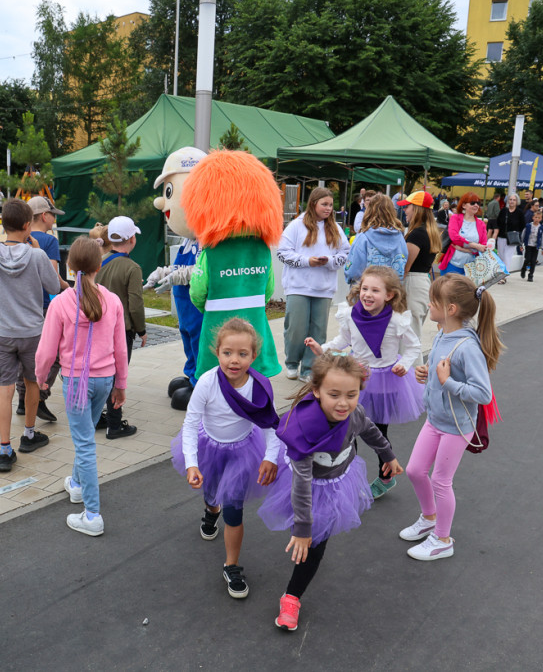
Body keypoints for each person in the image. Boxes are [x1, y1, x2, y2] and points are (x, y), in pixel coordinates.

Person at [258, 352, 402, 631]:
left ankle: (306, 557)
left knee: (318, 537)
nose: (343, 403)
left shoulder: (355, 414)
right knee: (312, 537)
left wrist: (388, 456)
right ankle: (291, 597)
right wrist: (302, 527)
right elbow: (301, 484)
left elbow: (370, 431)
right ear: (317, 391)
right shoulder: (303, 430)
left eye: (351, 394)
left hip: (340, 477)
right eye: (334, 394)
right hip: (309, 483)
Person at [170, 318, 281, 598]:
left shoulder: (260, 386)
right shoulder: (207, 382)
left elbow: (271, 425)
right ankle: (211, 510)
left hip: (242, 452)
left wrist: (271, 457)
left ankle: (231, 565)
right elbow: (191, 423)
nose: (235, 360)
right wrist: (192, 463)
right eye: (228, 352)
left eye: (243, 354)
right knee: (210, 492)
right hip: (209, 448)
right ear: (217, 352)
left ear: (254, 356)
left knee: (234, 509)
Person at [401, 273, 501, 561]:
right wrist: (428, 373)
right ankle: (429, 518)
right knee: (415, 471)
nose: (428, 305)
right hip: (436, 419)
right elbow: (441, 369)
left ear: (450, 309)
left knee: (441, 481)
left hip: (457, 427)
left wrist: (447, 382)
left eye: (433, 302)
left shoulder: (468, 347)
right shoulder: (444, 333)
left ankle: (443, 539)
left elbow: (482, 393)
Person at [35, 238, 129, 537]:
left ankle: (92, 515)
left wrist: (40, 378)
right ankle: (76, 485)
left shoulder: (61, 302)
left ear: (69, 266)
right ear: (99, 266)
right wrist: (121, 384)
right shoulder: (112, 300)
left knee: (85, 443)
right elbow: (120, 349)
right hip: (105, 379)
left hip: (77, 381)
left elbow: (46, 350)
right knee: (86, 432)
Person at [307, 264, 421, 498]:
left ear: (389, 295)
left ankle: (386, 475)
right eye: (365, 289)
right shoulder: (350, 314)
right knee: (348, 431)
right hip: (355, 380)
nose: (368, 294)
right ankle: (347, 475)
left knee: (378, 432)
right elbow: (343, 340)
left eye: (375, 291)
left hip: (386, 382)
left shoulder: (397, 320)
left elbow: (414, 347)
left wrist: (405, 364)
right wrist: (323, 348)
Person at [0, 198, 60, 473]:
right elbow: (53, 287)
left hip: (3, 332)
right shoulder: (36, 255)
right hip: (33, 332)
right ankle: (28, 435)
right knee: (32, 382)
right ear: (27, 226)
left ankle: (4, 450)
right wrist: (38, 252)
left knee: (5, 388)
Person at [277, 187, 351, 382]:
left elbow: (345, 254)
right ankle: (292, 362)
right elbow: (282, 252)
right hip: (298, 287)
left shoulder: (334, 228)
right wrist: (307, 261)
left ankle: (309, 368)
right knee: (296, 328)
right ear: (313, 204)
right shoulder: (296, 226)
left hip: (324, 289)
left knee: (318, 330)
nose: (328, 209)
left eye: (330, 205)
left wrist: (329, 261)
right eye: (324, 204)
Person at [18, 196, 71, 423]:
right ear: (43, 216)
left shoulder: (21, 238)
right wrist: (68, 287)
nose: (54, 220)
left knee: (26, 355)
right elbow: (52, 275)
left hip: (22, 304)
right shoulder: (48, 242)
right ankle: (40, 394)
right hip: (45, 305)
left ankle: (23, 400)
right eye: (52, 216)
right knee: (55, 353)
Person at [94, 216, 147, 439]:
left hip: (97, 327)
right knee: (117, 376)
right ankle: (115, 425)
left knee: (100, 373)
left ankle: (96, 417)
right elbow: (135, 304)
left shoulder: (98, 262)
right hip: (121, 331)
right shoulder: (132, 268)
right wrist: (142, 330)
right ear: (131, 239)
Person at [399, 191, 441, 354]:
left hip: (413, 283)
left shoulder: (417, 233)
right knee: (412, 337)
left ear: (416, 209)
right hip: (422, 281)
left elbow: (405, 267)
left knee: (408, 340)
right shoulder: (429, 231)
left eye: (407, 207)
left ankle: (412, 378)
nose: (405, 211)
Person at [345, 194, 408, 282]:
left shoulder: (363, 236)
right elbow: (403, 263)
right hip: (391, 289)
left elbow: (353, 270)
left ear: (369, 210)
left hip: (365, 289)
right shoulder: (399, 237)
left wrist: (349, 277)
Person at [438, 191, 489, 276]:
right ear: (464, 205)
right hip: (452, 264)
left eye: (478, 203)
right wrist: (475, 246)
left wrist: (464, 249)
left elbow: (483, 247)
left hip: (471, 268)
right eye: (472, 203)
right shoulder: (455, 218)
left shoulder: (481, 224)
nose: (476, 205)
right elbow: (455, 238)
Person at [519, 206, 543, 282]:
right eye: (536, 217)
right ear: (533, 218)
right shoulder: (528, 226)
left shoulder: (541, 228)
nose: (537, 219)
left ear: (540, 219)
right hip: (528, 245)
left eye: (539, 218)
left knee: (533, 261)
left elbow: (542, 238)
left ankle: (531, 275)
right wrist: (521, 244)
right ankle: (523, 268)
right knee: (528, 259)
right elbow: (523, 235)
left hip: (535, 246)